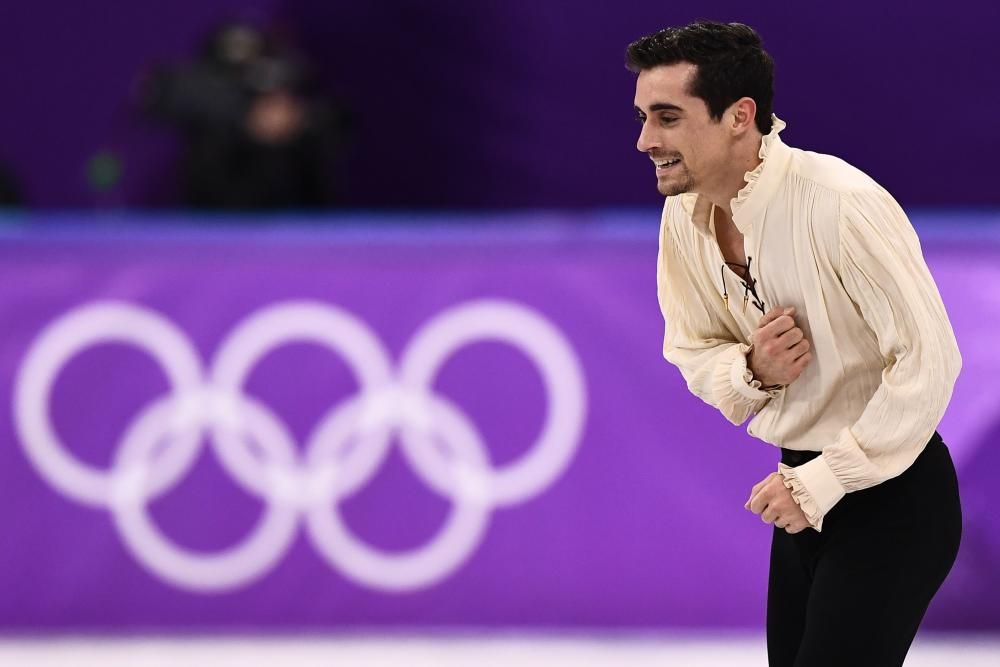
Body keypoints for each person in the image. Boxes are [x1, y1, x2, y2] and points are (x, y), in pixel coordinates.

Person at [627, 21, 962, 666]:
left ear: (739, 116)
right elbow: (693, 348)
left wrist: (822, 482)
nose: (645, 140)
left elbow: (929, 361)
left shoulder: (838, 203)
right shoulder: (683, 218)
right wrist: (752, 369)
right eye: (643, 117)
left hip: (892, 494)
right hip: (800, 488)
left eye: (667, 117)